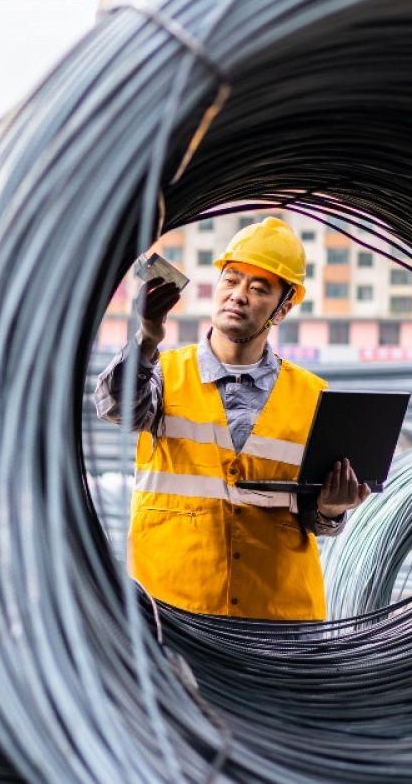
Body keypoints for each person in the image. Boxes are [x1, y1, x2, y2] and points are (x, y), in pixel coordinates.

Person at [95, 217, 371, 621]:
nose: (238, 296)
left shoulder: (315, 396)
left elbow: (315, 518)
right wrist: (147, 337)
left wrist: (331, 509)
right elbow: (114, 408)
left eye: (259, 289)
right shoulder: (162, 373)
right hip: (170, 610)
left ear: (283, 309)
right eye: (231, 280)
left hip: (278, 619)